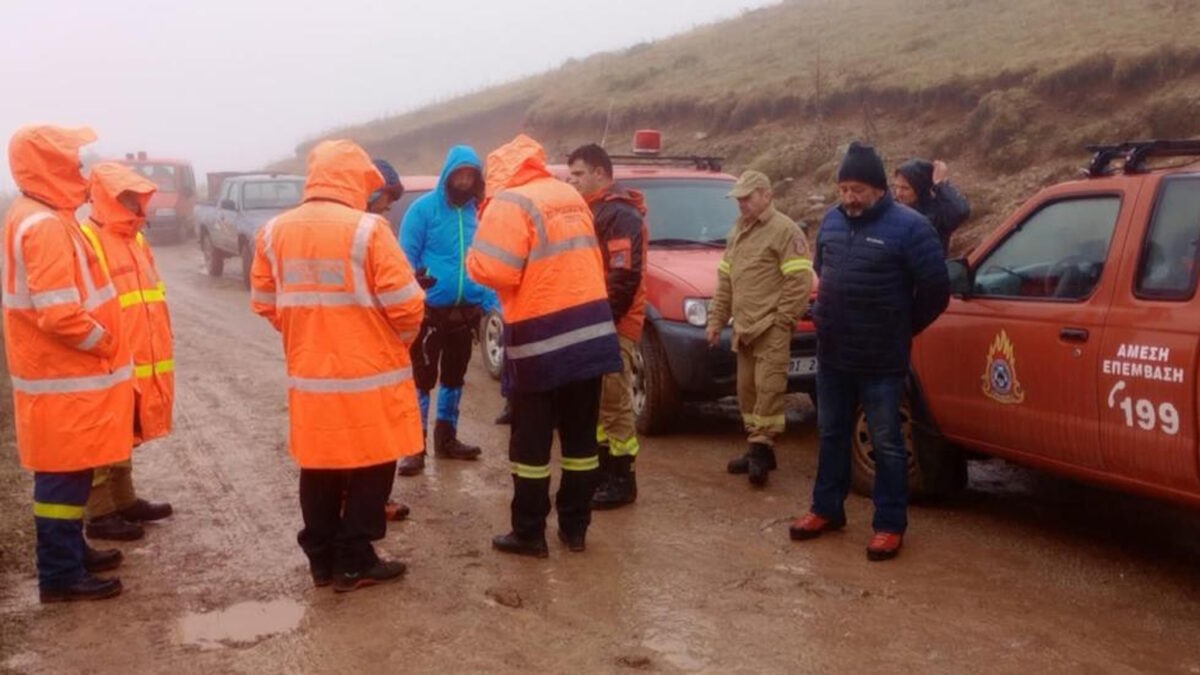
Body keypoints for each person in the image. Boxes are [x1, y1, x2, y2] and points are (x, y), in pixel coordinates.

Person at [250, 139, 425, 592]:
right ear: (355, 179)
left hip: (311, 377)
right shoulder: (368, 230)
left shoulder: (273, 232)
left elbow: (265, 302)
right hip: (369, 376)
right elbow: (407, 305)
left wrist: (309, 332)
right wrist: (396, 342)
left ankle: (322, 560)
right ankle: (355, 560)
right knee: (373, 462)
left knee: (319, 463)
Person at [789, 142, 950, 561]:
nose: (849, 198)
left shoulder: (911, 228)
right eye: (843, 189)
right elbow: (823, 272)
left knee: (887, 441)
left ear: (879, 188)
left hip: (881, 358)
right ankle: (826, 509)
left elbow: (936, 290)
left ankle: (889, 524)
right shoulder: (831, 221)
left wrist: (902, 327)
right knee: (831, 433)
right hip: (833, 354)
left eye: (857, 189)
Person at [467, 134, 622, 557]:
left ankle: (529, 533)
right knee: (581, 441)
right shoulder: (568, 194)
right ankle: (575, 528)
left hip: (541, 337)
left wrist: (472, 259)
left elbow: (496, 270)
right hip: (590, 332)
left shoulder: (510, 202)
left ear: (500, 173)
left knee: (531, 445)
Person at [3, 125, 133, 603]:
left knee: (71, 472)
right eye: (73, 164)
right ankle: (60, 574)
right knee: (61, 478)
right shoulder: (44, 226)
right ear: (51, 167)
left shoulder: (41, 216)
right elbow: (59, 313)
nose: (81, 172)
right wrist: (105, 342)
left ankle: (72, 554)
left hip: (60, 378)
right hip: (61, 378)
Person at [79, 163, 175, 543]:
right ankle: (100, 514)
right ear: (107, 198)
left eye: (137, 197)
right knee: (102, 436)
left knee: (123, 432)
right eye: (127, 198)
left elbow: (151, 296)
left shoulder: (135, 239)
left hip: (134, 356)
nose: (136, 204)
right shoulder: (88, 238)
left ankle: (124, 500)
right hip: (106, 357)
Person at [707, 170, 813, 487]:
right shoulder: (738, 231)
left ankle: (760, 450)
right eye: (738, 199)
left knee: (769, 390)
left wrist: (783, 320)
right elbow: (725, 282)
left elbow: (799, 281)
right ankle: (759, 447)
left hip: (771, 327)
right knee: (747, 392)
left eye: (747, 197)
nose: (741, 203)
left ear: (767, 195)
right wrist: (716, 321)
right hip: (744, 328)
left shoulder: (785, 231)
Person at [397, 146, 498, 477]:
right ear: (448, 174)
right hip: (429, 312)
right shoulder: (422, 209)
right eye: (460, 174)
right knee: (422, 380)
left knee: (454, 377)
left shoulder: (478, 213)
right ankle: (415, 447)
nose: (465, 181)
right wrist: (413, 290)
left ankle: (447, 439)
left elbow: (487, 258)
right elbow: (404, 258)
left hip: (466, 312)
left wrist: (489, 302)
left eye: (471, 175)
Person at [566, 143, 648, 510]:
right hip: (597, 320)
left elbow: (623, 275)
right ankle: (602, 471)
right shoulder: (594, 209)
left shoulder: (619, 214)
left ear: (600, 173)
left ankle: (622, 478)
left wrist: (604, 321)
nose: (572, 181)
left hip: (614, 321)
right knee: (599, 402)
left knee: (614, 402)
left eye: (578, 174)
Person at [365, 158, 411, 522]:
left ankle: (367, 500)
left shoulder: (371, 228)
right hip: (372, 351)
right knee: (374, 432)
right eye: (386, 201)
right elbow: (404, 305)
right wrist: (403, 340)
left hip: (337, 355)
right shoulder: (368, 231)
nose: (390, 208)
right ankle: (369, 504)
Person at [892, 159, 970, 255]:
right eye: (896, 187)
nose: (898, 193)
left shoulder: (937, 214)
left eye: (905, 188)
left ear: (920, 188)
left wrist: (939, 184)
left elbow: (961, 211)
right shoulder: (892, 208)